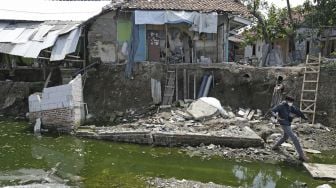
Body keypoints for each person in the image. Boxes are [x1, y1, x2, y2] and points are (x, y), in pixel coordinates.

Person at [271, 96, 309, 162]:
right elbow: (273, 111)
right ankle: (301, 155)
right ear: (286, 101)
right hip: (283, 123)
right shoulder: (280, 106)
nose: (291, 103)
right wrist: (275, 116)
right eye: (290, 102)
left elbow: (297, 111)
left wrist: (304, 117)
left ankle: (275, 146)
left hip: (288, 123)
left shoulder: (290, 106)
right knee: (294, 138)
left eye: (292, 102)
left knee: (285, 137)